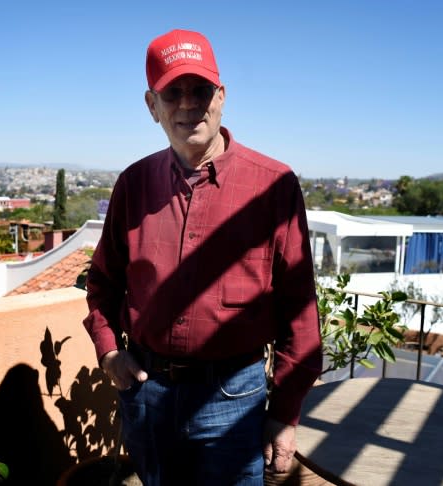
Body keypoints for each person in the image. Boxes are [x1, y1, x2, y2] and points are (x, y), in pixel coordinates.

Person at [82, 28, 322, 486]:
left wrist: (285, 413)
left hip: (235, 396)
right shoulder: (133, 184)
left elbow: (300, 310)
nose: (189, 104)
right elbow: (103, 284)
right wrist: (110, 352)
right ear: (152, 106)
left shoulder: (273, 185)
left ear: (222, 97)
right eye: (173, 92)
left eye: (201, 89)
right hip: (148, 392)